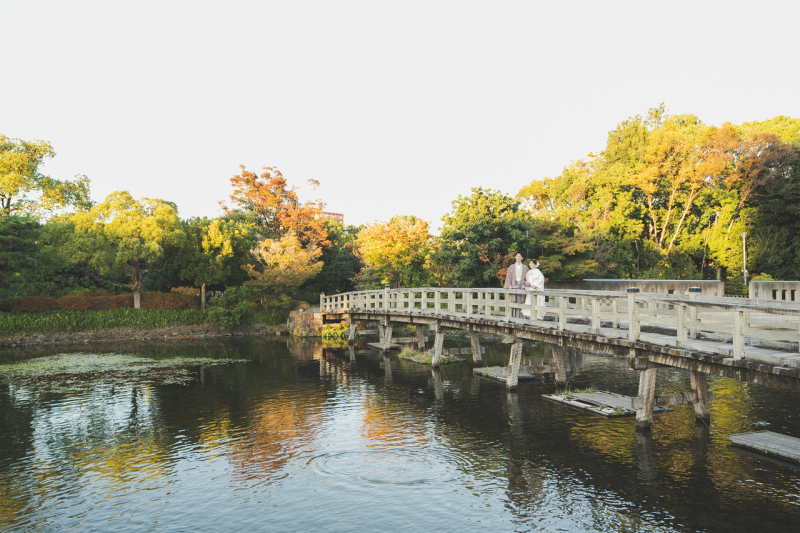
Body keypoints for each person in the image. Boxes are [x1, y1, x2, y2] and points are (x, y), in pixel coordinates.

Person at [503, 252, 529, 318]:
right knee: (514, 300)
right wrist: (509, 285)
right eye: (517, 256)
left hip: (522, 285)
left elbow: (528, 278)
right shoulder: (511, 267)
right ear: (515, 257)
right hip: (513, 285)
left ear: (522, 258)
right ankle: (513, 317)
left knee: (521, 300)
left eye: (520, 256)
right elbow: (508, 277)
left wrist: (526, 285)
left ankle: (522, 317)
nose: (518, 258)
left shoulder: (525, 267)